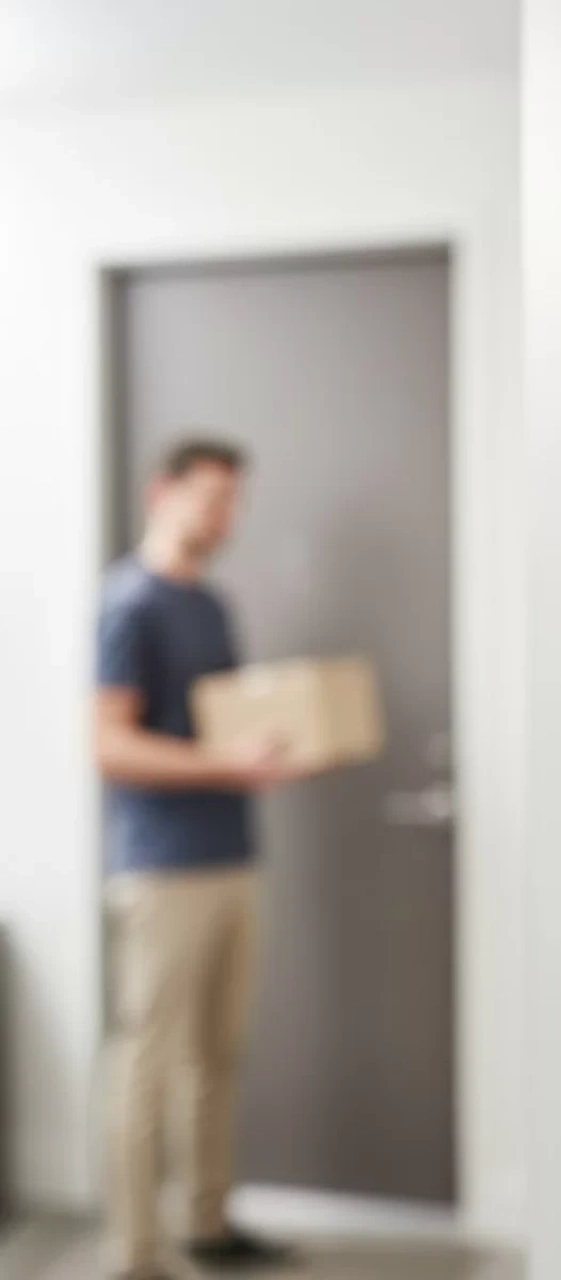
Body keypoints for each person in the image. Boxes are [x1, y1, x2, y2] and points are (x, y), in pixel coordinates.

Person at [95, 439, 300, 1279]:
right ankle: (135, 1253)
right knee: (146, 1062)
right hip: (163, 868)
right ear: (163, 492)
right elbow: (110, 745)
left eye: (234, 500)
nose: (226, 516)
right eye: (213, 497)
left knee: (216, 1056)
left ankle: (206, 1224)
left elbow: (220, 725)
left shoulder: (211, 605)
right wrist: (226, 765)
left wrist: (281, 746)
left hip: (231, 856)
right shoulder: (129, 603)